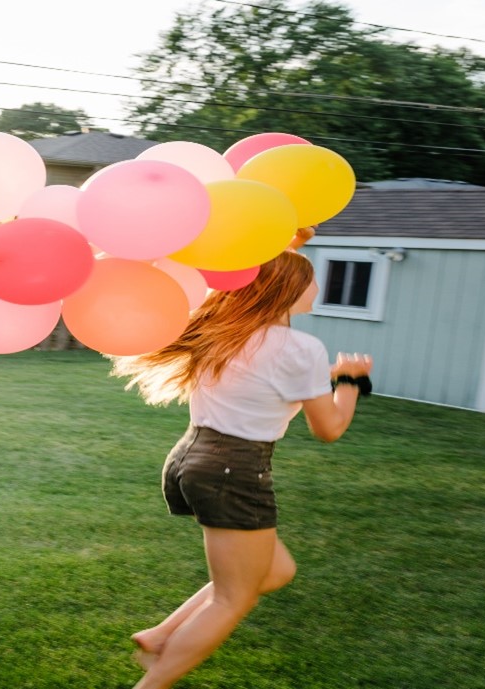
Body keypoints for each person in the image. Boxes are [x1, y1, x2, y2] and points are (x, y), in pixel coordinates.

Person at [109, 241, 373, 689]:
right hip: (234, 469)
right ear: (287, 288)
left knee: (276, 571)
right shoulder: (298, 347)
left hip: (190, 459)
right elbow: (328, 428)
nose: (316, 283)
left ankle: (161, 635)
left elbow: (269, 379)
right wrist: (351, 381)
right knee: (234, 598)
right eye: (308, 275)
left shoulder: (228, 331)